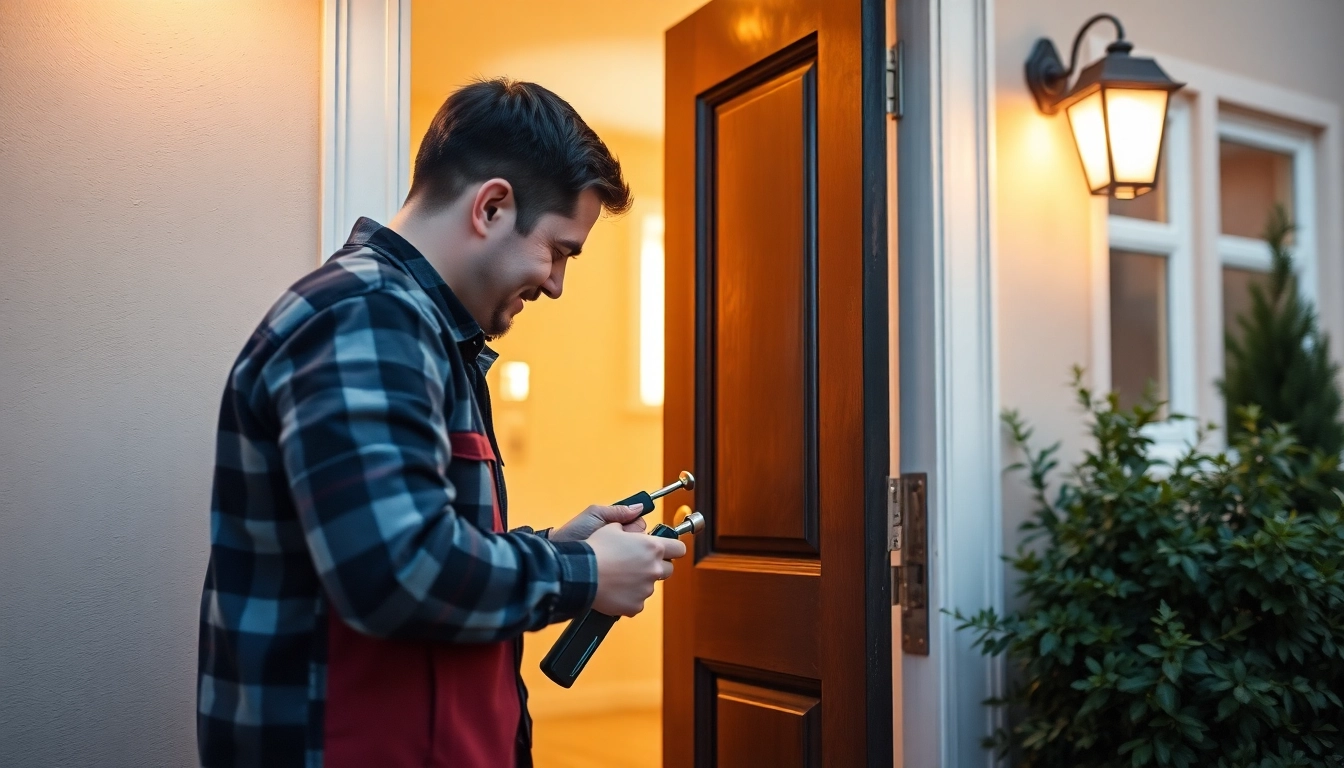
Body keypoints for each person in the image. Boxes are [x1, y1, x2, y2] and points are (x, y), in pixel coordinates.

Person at [197, 78, 685, 768]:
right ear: (491, 206)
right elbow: (396, 571)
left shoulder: (415, 330)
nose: (555, 284)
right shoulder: (364, 316)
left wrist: (551, 543)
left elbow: (414, 535)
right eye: (559, 250)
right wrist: (582, 571)